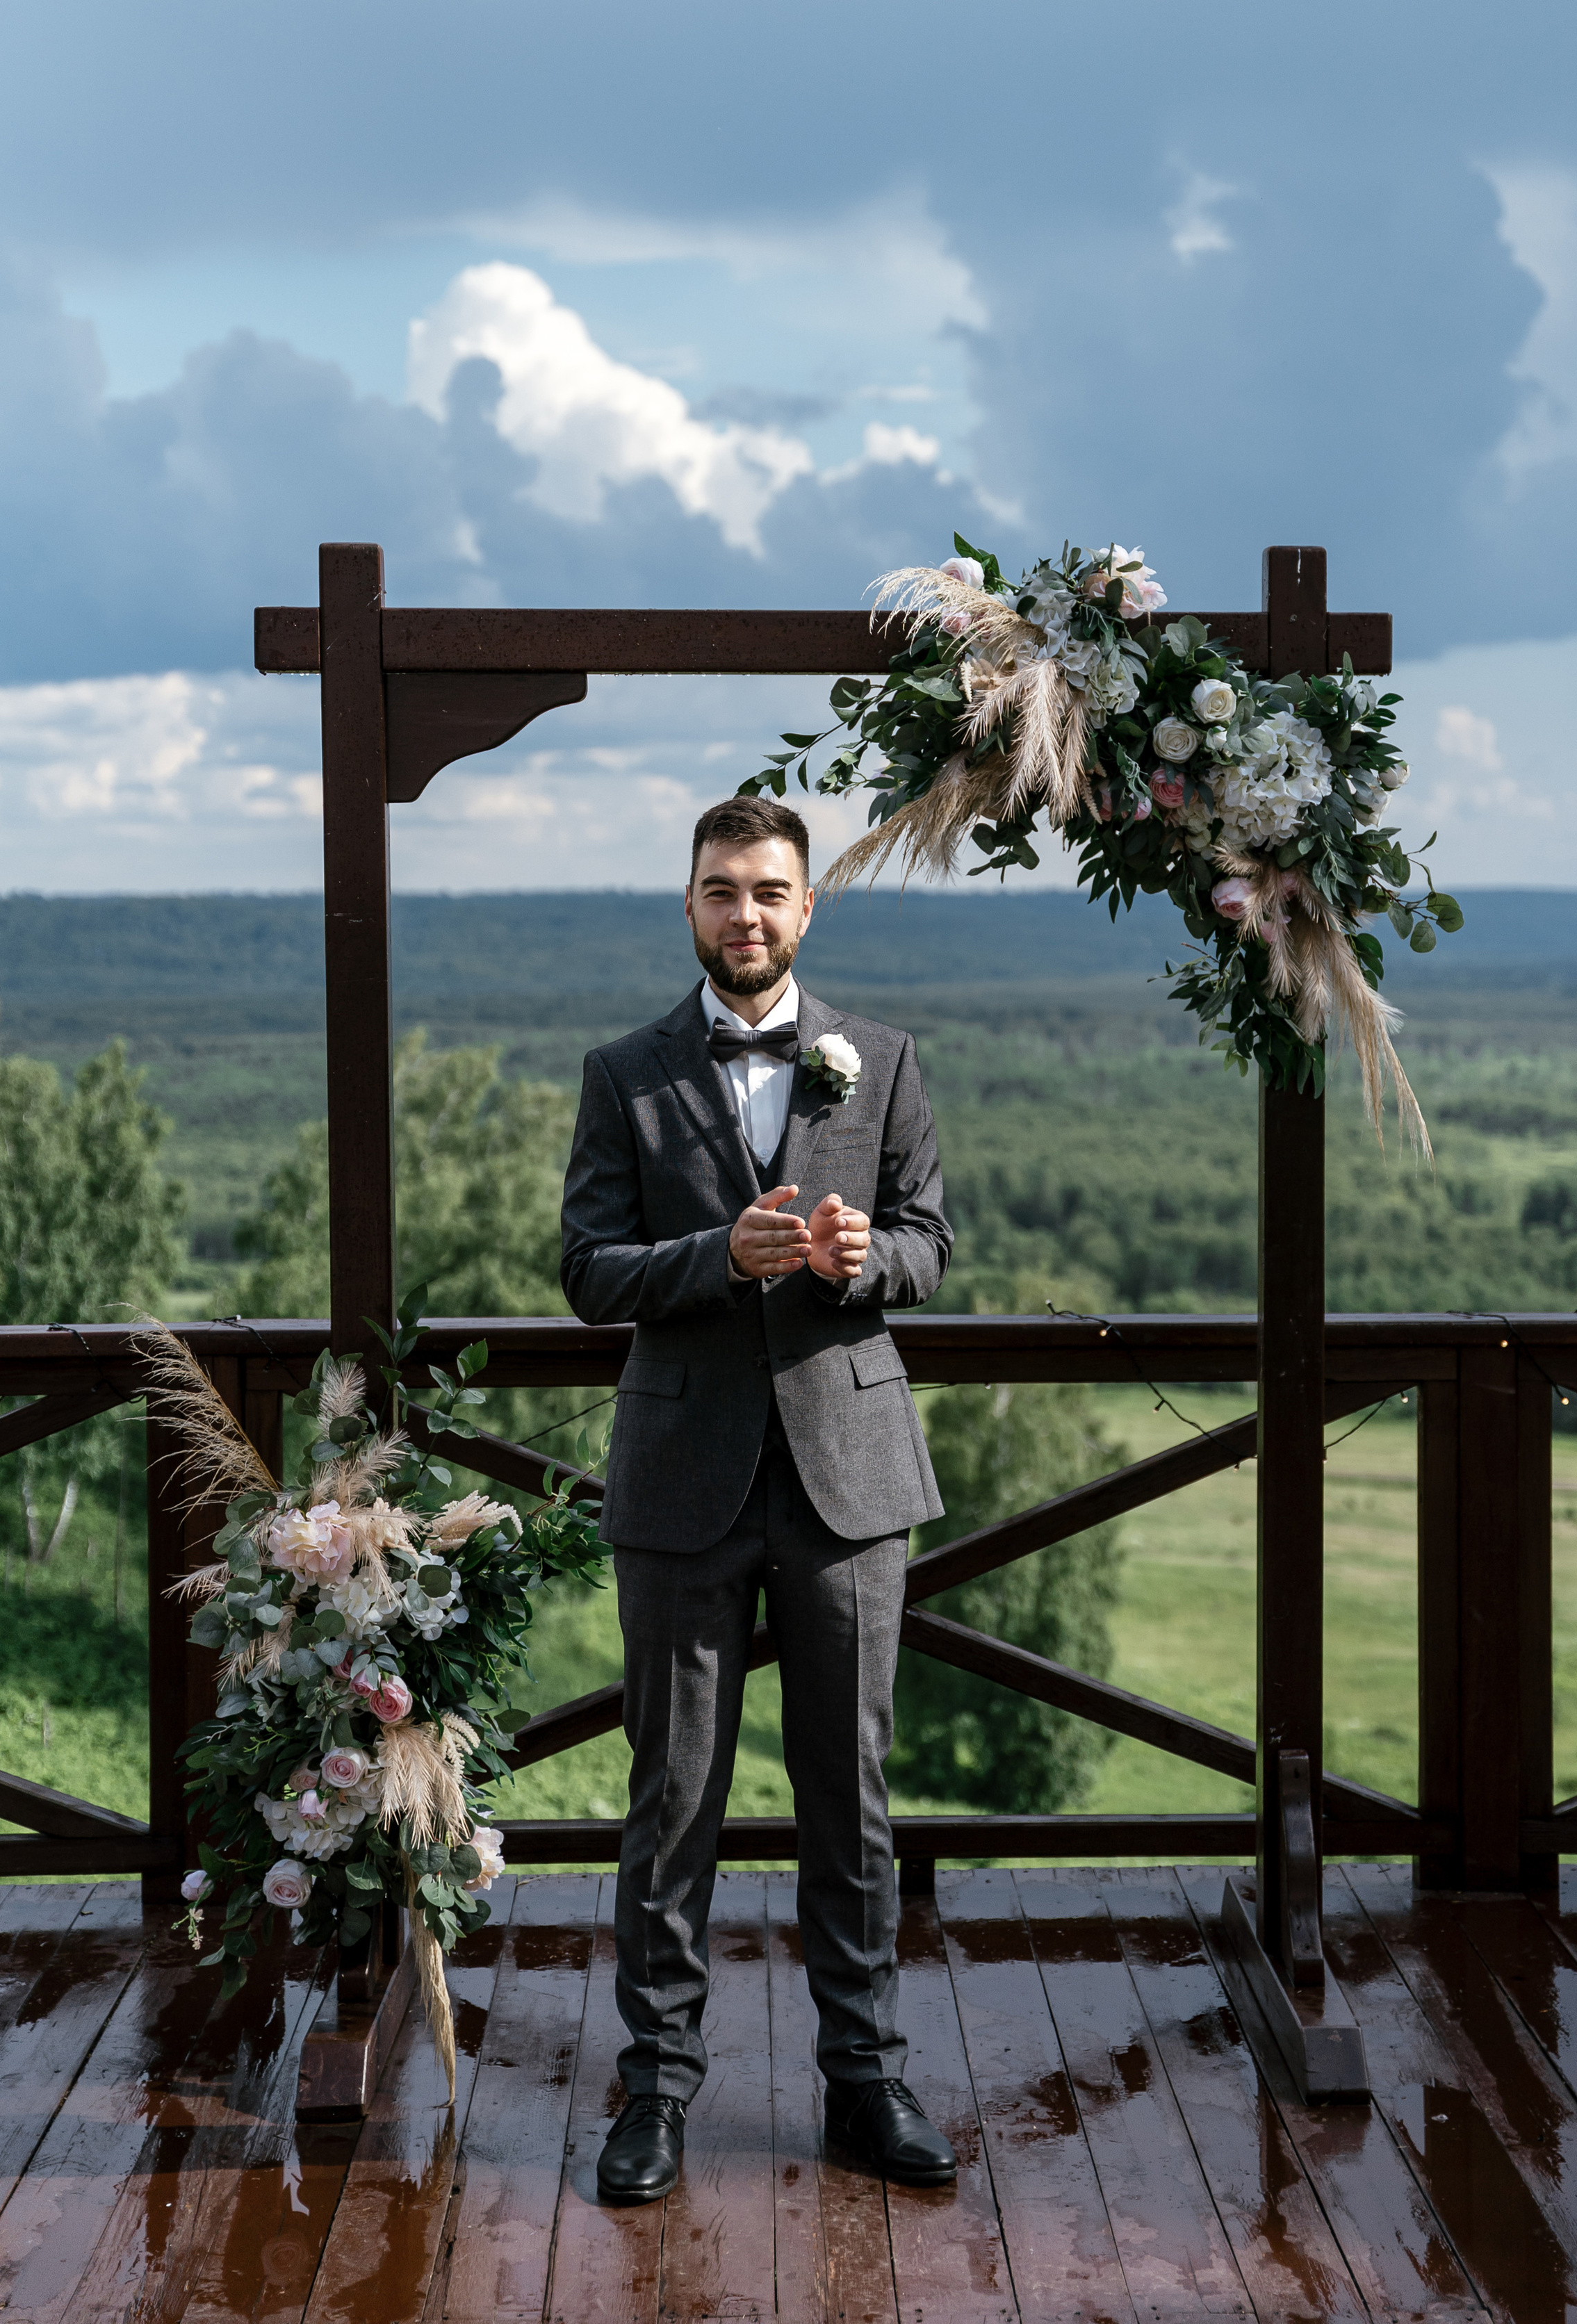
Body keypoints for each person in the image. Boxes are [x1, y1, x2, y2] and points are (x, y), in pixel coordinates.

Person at [560, 794, 958, 2204]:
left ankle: (867, 2081)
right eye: (722, 889)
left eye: (770, 891)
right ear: (688, 906)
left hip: (847, 1481)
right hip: (682, 1480)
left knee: (850, 1798)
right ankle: (654, 2092)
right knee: (671, 1798)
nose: (746, 913)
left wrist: (859, 1261)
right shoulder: (625, 1073)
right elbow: (589, 1272)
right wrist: (716, 1256)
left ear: (806, 910)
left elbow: (930, 1242)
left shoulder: (885, 1062)